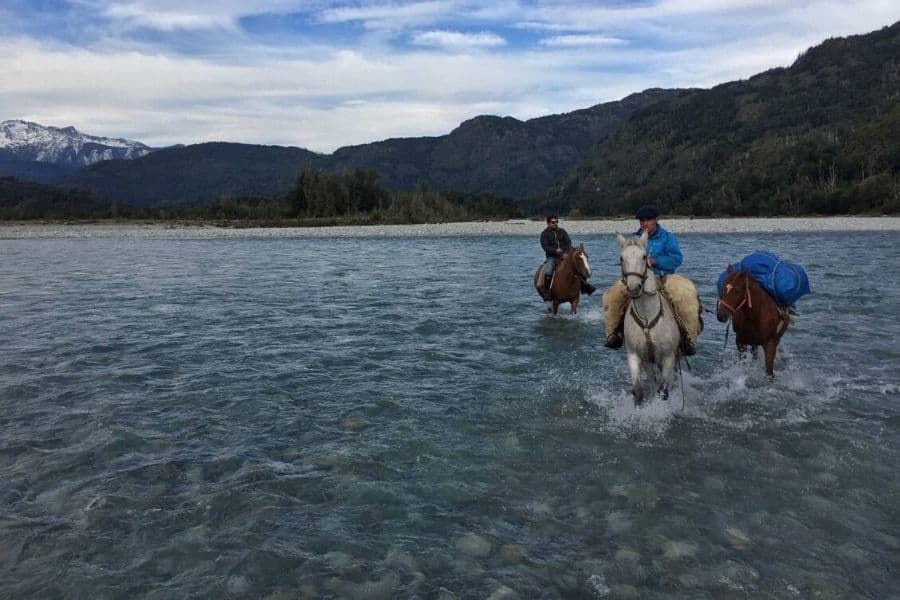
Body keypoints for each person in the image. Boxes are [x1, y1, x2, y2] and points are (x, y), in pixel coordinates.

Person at [602, 204, 702, 355]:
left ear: (656, 220)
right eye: (642, 220)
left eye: (648, 220)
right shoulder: (634, 240)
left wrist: (655, 261)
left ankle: (688, 337)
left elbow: (676, 259)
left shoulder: (667, 238)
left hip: (664, 276)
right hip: (638, 279)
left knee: (686, 294)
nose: (644, 223)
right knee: (612, 294)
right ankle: (613, 334)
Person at [539, 215, 595, 300]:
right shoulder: (544, 234)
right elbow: (545, 246)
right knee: (549, 270)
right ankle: (547, 292)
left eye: (556, 222)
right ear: (548, 223)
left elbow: (568, 243)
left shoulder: (562, 231)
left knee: (578, 267)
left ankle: (584, 286)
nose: (555, 224)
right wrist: (555, 251)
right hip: (552, 257)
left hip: (565, 255)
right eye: (553, 222)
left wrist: (565, 252)